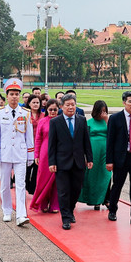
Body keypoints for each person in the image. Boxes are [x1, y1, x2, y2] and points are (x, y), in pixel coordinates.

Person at [0, 78, 35, 226]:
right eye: (12, 94)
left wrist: (30, 154)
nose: (14, 97)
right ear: (7, 96)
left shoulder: (25, 113)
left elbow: (29, 136)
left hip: (20, 153)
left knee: (21, 184)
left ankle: (21, 214)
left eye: (16, 94)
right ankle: (7, 210)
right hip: (5, 153)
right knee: (5, 185)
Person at [48, 94, 93, 230]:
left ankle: (70, 209)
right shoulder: (55, 122)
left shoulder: (81, 120)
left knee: (76, 190)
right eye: (67, 105)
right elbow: (52, 145)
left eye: (73, 104)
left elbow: (86, 141)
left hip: (78, 162)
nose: (70, 107)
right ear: (61, 106)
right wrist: (52, 162)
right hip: (62, 162)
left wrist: (89, 158)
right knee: (63, 191)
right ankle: (66, 218)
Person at [106, 90, 131, 227]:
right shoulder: (115, 118)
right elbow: (110, 141)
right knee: (117, 186)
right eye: (130, 101)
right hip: (120, 159)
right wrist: (109, 161)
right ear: (124, 102)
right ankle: (112, 210)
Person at [80, 100, 112, 210]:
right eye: (100, 111)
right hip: (93, 151)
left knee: (106, 175)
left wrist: (107, 120)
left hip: (105, 152)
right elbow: (84, 139)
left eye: (104, 111)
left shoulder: (108, 122)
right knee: (93, 176)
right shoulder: (89, 122)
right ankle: (94, 200)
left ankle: (106, 199)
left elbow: (113, 135)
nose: (102, 113)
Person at [30, 98, 60, 213]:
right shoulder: (42, 121)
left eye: (55, 110)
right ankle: (42, 203)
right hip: (44, 153)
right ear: (47, 109)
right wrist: (36, 155)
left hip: (58, 152)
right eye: (50, 109)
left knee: (56, 180)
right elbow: (38, 139)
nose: (53, 112)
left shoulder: (61, 121)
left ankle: (55, 204)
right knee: (42, 178)